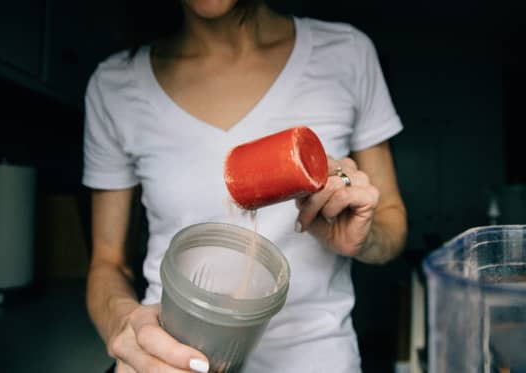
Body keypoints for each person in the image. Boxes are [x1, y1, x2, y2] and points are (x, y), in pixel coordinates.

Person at [83, 0, 408, 372]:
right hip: (173, 359)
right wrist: (125, 323)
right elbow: (107, 264)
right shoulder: (115, 85)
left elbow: (392, 224)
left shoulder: (346, 53)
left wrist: (363, 237)